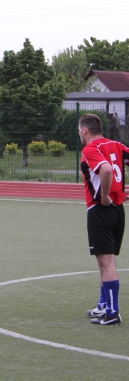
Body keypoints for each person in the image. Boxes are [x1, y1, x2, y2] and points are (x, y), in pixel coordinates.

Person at [79, 113, 129, 325]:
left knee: (106, 263)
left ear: (84, 130)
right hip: (118, 211)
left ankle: (112, 313)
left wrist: (106, 195)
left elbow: (107, 169)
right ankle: (104, 305)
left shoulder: (90, 149)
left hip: (101, 209)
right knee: (107, 261)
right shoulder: (117, 145)